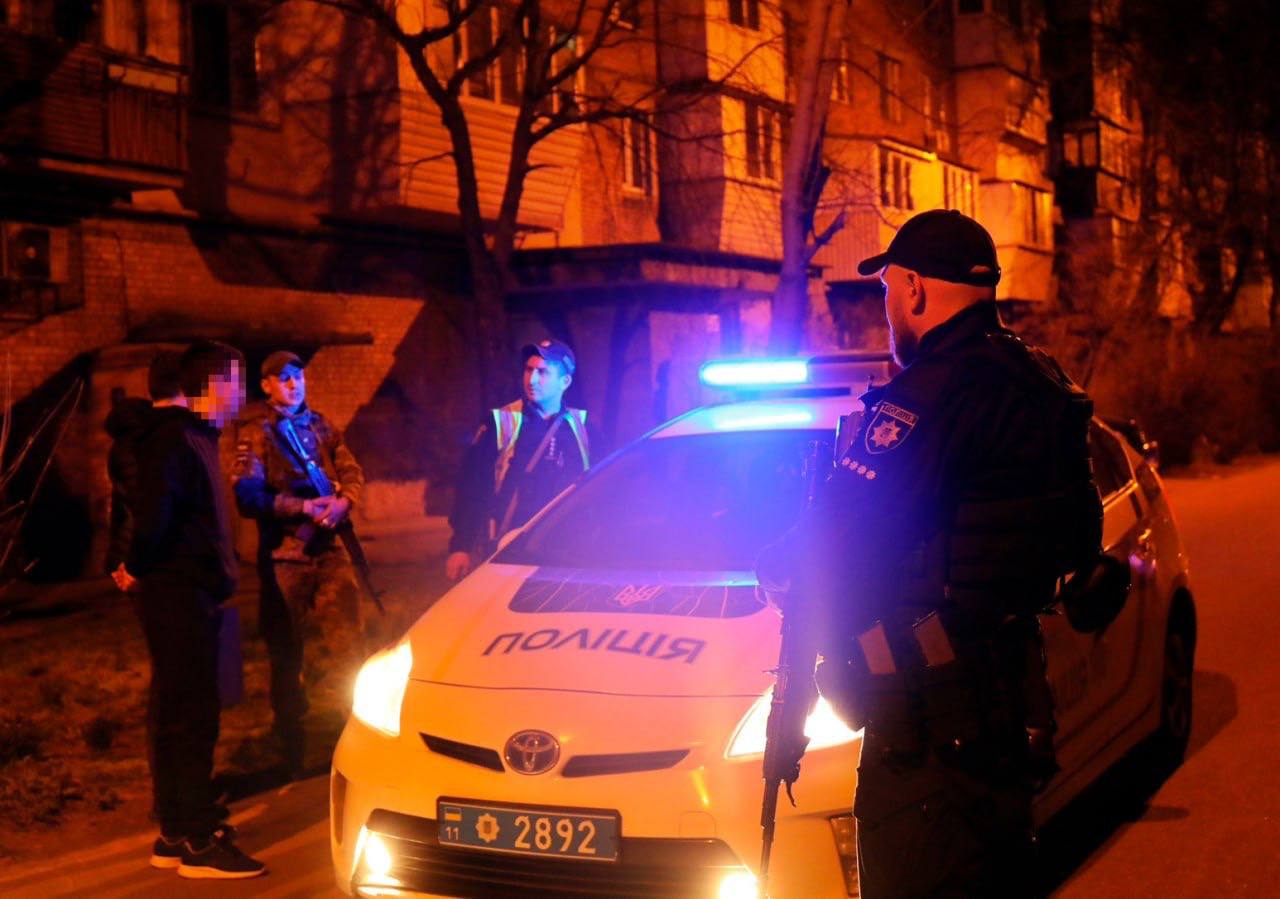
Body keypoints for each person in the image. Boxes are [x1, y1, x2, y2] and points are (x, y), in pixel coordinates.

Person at [756, 210, 1102, 898]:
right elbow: (1076, 539)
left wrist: (777, 563)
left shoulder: (926, 397)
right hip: (1009, 716)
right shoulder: (1042, 383)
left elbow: (833, 545)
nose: (888, 308)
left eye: (888, 288)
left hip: (925, 738)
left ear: (914, 288)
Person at [127, 340, 263, 879]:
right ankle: (196, 842)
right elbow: (153, 520)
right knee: (190, 718)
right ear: (216, 384)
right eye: (238, 382)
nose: (242, 395)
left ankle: (177, 831)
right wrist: (134, 565)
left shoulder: (195, 437)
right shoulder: (176, 439)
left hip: (191, 594)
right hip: (180, 596)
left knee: (184, 713)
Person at [232, 350, 366, 775]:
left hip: (330, 553)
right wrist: (303, 508)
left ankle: (357, 737)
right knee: (287, 652)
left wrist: (344, 502)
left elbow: (351, 469)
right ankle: (291, 743)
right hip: (284, 558)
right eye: (284, 378)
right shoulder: (256, 433)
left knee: (349, 646)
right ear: (267, 385)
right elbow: (247, 496)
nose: (294, 384)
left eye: (298, 376)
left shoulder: (320, 425)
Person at [445, 339, 591, 580]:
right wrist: (461, 546)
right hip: (509, 552)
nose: (531, 379)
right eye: (528, 369)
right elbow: (472, 487)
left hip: (568, 554)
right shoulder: (501, 422)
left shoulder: (583, 427)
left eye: (542, 372)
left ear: (565, 381)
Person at [105, 350, 186, 594]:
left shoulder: (138, 438)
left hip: (140, 553)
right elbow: (147, 505)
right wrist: (134, 564)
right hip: (148, 558)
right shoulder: (142, 441)